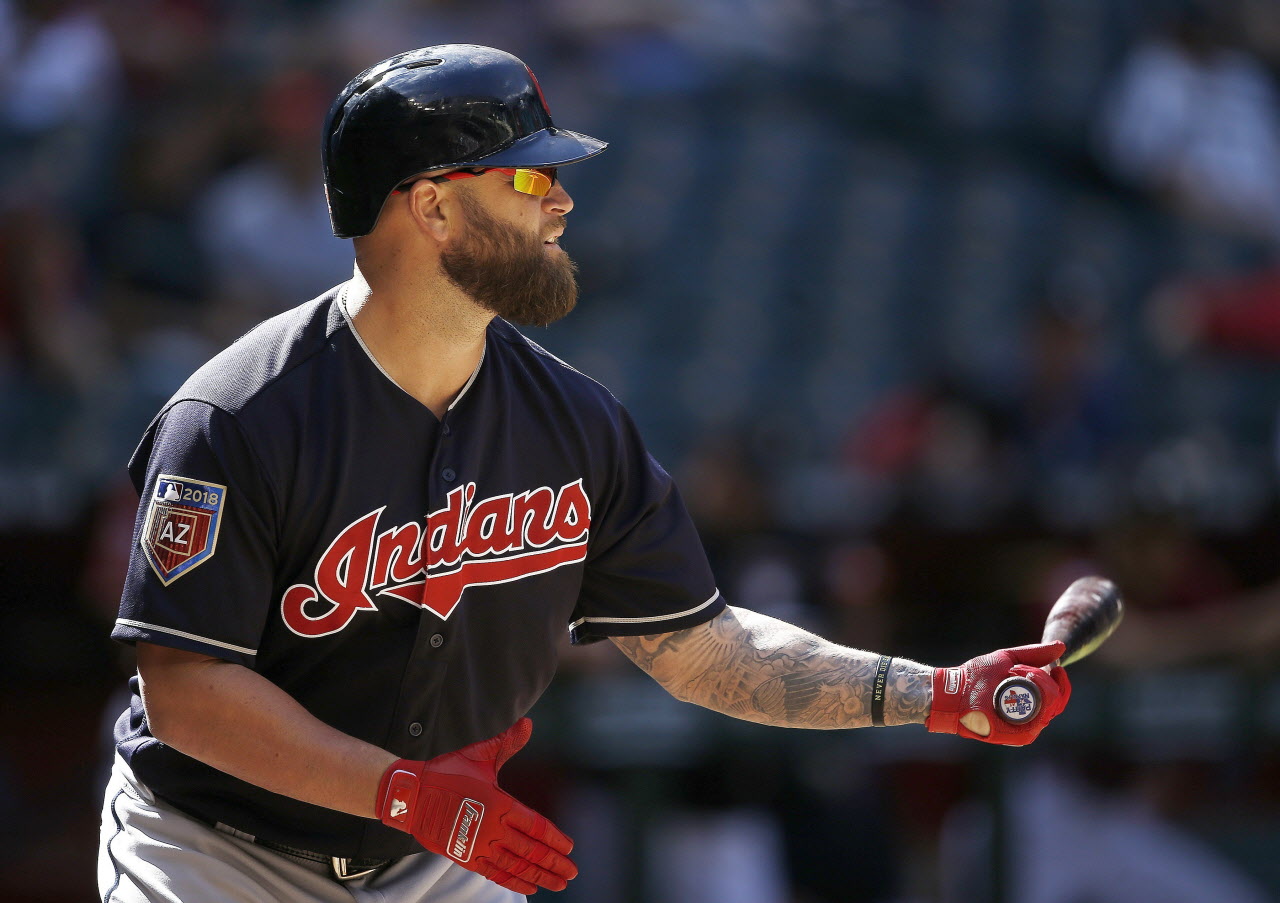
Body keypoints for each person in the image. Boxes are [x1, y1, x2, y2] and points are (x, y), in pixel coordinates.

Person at [97, 44, 1072, 903]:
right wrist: (402, 791)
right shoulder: (237, 416)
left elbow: (703, 652)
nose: (559, 200)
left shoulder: (575, 422)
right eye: (525, 180)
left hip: (430, 848)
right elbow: (186, 691)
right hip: (213, 853)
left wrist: (933, 693)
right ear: (432, 206)